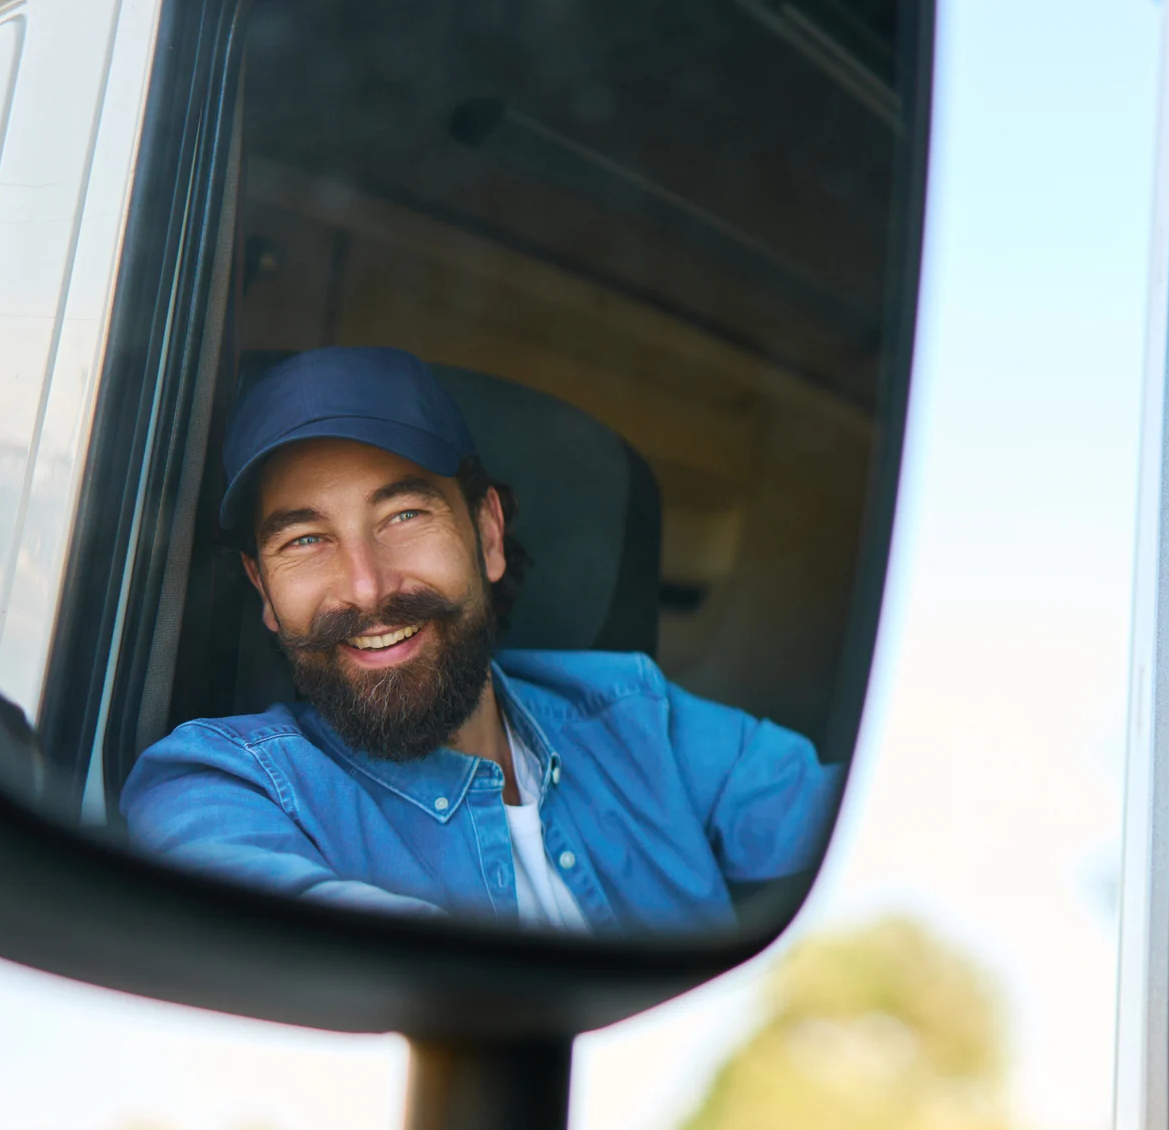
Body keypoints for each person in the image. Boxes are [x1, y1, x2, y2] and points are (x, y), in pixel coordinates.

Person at [121, 347, 838, 935]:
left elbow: (867, 830)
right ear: (264, 592)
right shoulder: (218, 784)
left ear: (487, 535)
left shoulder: (638, 717)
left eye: (403, 515)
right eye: (305, 540)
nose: (366, 588)